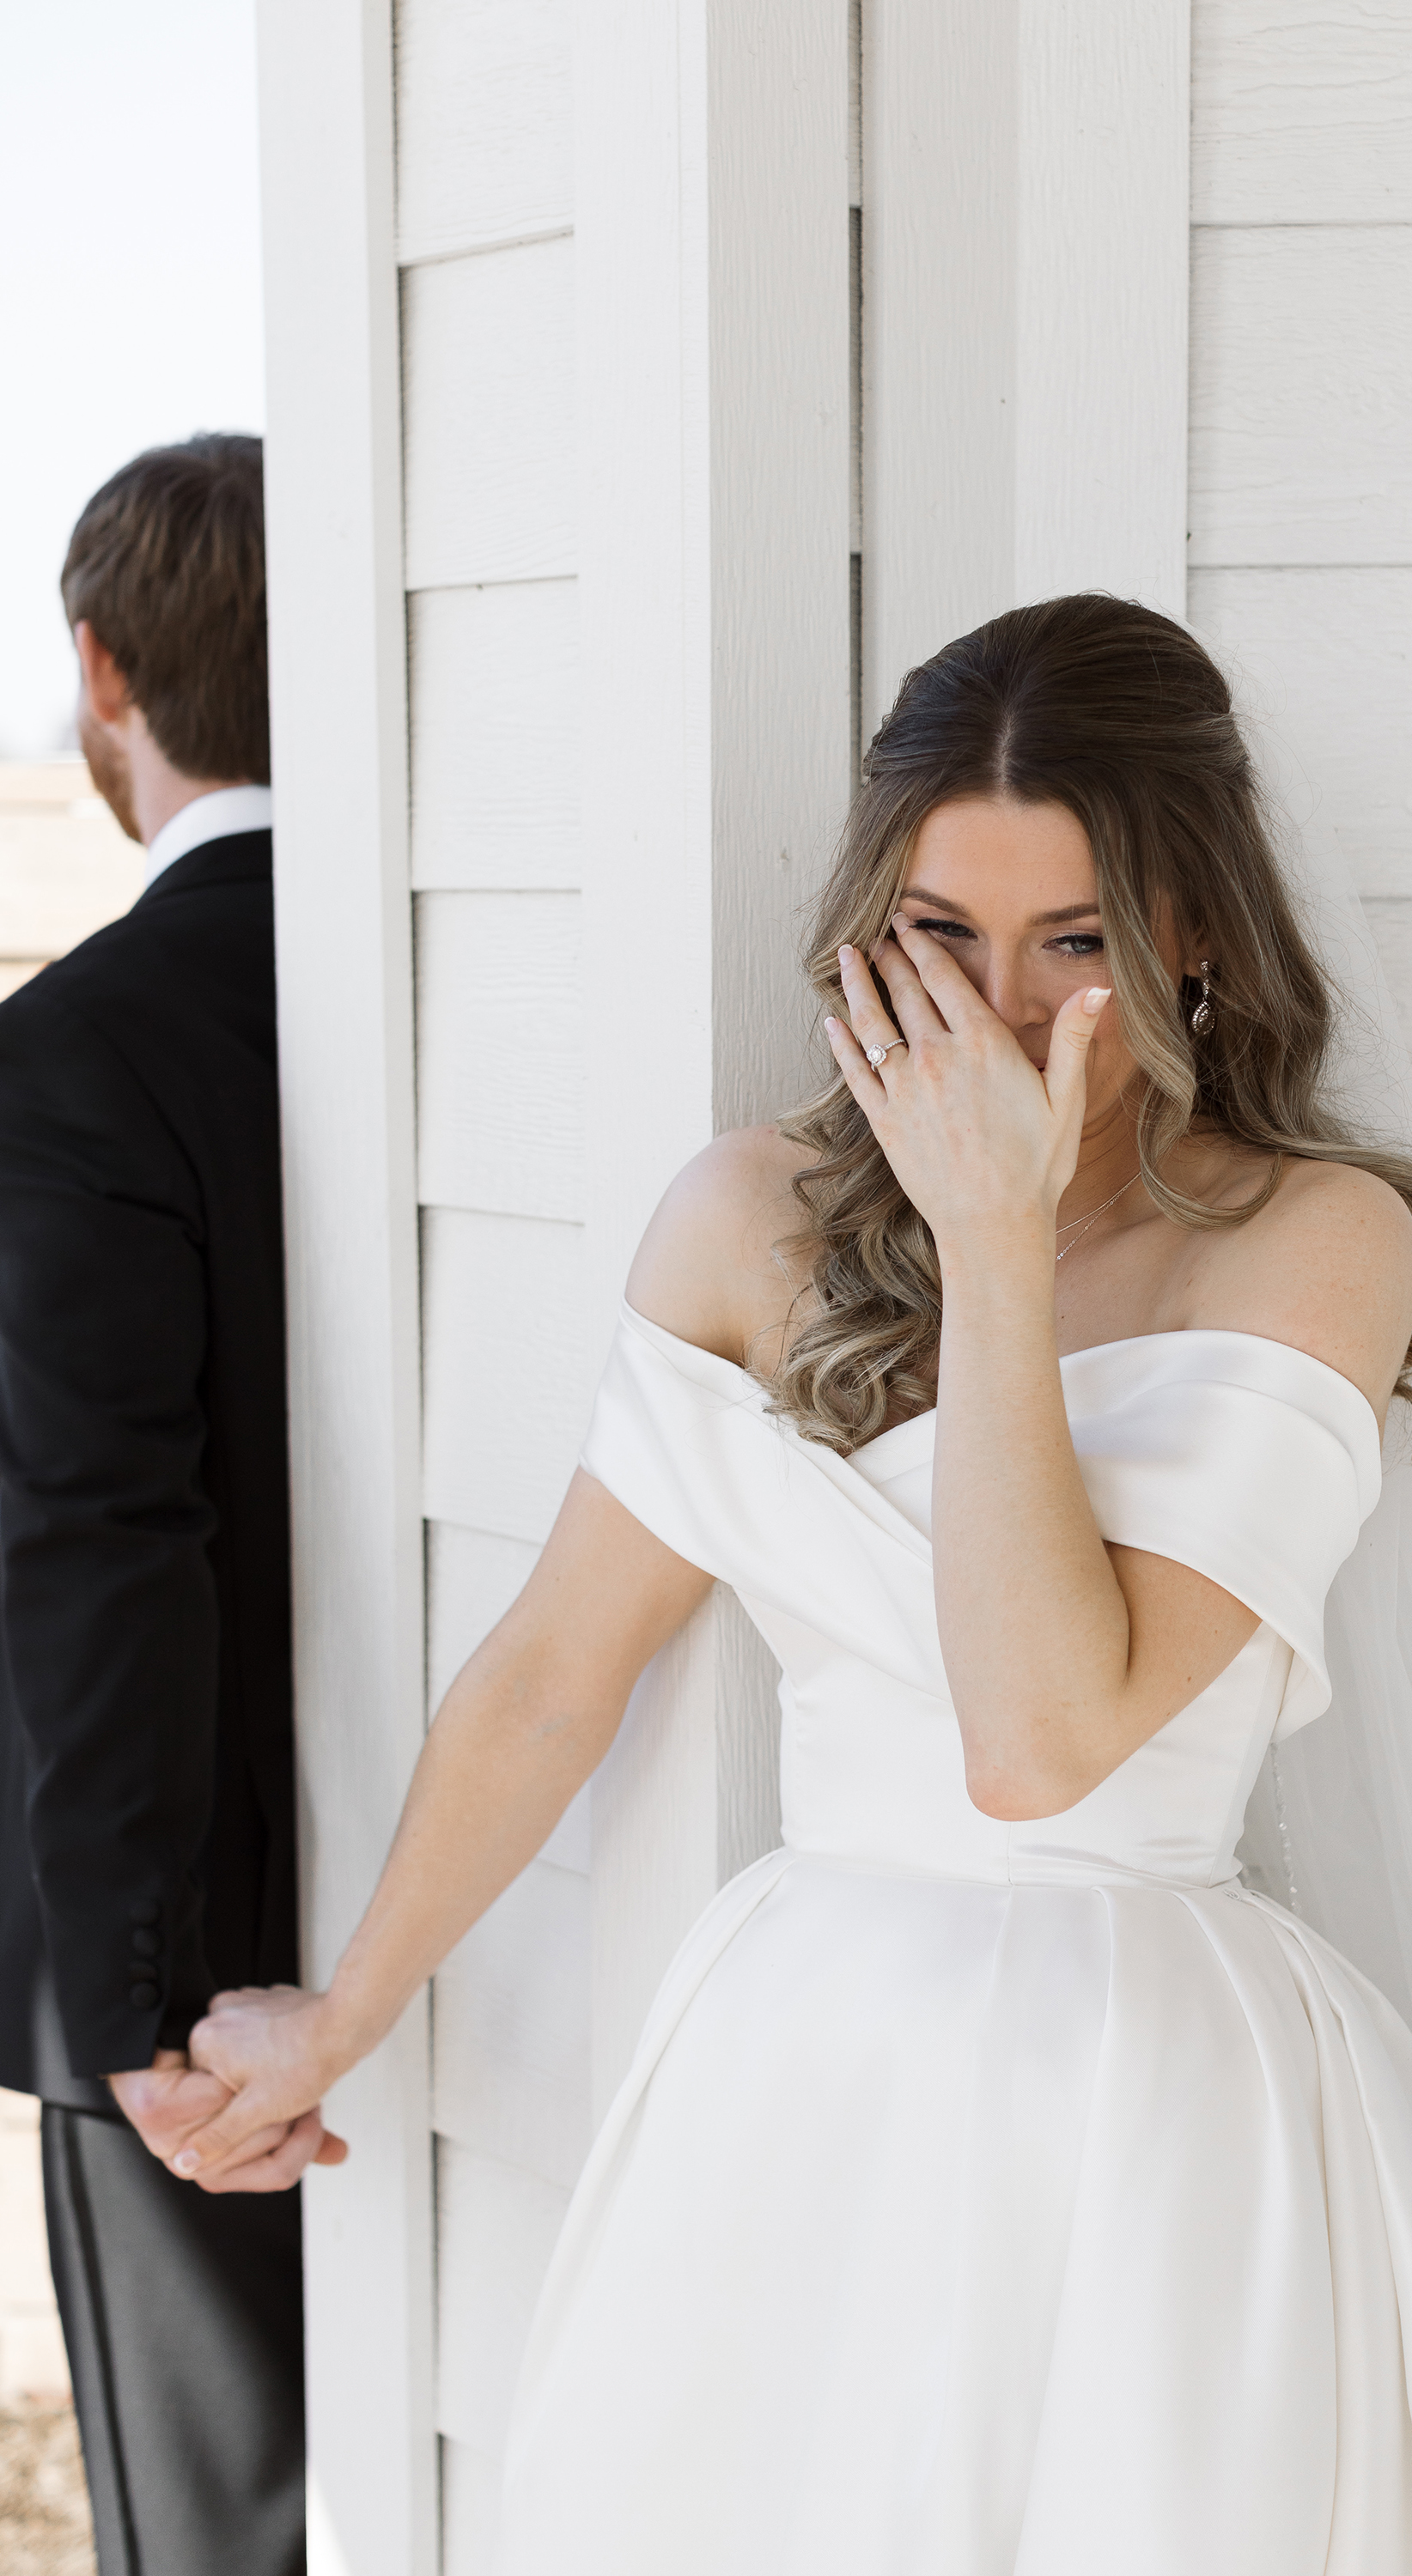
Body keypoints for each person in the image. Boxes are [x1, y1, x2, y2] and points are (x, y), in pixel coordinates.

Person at [179, 598, 1412, 2569]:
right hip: (801, 2068)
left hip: (1141, 2097)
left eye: (1071, 942)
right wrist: (344, 2014)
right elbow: (558, 1666)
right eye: (941, 936)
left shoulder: (1309, 1237)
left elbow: (1043, 1743)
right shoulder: (747, 1216)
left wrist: (992, 1248)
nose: (995, 1013)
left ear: (1189, 933)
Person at [0, 435, 332, 2576]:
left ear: (105, 672)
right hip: (542, 1890)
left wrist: (125, 2003)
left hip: (199, 1975)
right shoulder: (488, 990)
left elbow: (92, 1536)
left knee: (223, 2537)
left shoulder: (83, 1045)